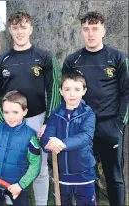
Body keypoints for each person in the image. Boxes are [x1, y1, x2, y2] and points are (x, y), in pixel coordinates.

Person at [0, 11, 61, 205]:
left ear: (31, 29)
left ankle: (40, 203)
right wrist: (3, 120)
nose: (19, 32)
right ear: (9, 31)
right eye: (15, 28)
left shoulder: (45, 57)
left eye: (23, 27)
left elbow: (54, 90)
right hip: (11, 120)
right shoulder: (0, 61)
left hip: (38, 120)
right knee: (11, 163)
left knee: (40, 167)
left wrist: (48, 122)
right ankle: (12, 200)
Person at [62, 11, 129, 206]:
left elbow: (127, 92)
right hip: (81, 127)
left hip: (109, 127)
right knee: (87, 177)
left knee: (114, 177)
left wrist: (119, 125)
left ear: (103, 30)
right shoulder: (72, 61)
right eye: (86, 29)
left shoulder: (117, 58)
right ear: (81, 32)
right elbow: (65, 94)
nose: (91, 33)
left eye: (95, 28)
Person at [40, 71, 96, 205]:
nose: (72, 94)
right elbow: (47, 137)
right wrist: (47, 143)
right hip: (60, 173)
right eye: (67, 89)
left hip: (83, 173)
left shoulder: (88, 114)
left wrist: (63, 143)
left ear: (84, 91)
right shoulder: (55, 114)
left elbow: (85, 137)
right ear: (61, 91)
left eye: (77, 89)